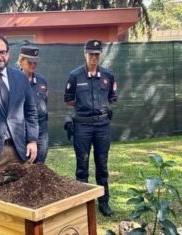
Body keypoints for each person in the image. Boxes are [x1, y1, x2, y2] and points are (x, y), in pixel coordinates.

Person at [63, 39, 117, 217]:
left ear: (100, 55)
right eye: (91, 54)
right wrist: (85, 109)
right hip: (83, 126)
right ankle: (83, 204)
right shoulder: (75, 75)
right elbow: (69, 99)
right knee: (82, 166)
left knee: (102, 165)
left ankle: (104, 202)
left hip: (102, 126)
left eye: (97, 54)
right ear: (85, 54)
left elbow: (111, 98)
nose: (94, 58)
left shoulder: (108, 75)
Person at [0, 36, 39, 187]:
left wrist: (32, 140)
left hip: (20, 149)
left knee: (22, 193)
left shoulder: (20, 77)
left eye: (2, 52)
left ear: (8, 54)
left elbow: (30, 110)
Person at [17, 45, 49, 163]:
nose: (33, 65)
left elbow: (45, 101)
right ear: (21, 61)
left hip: (41, 128)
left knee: (39, 165)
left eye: (35, 62)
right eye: (30, 61)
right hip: (22, 129)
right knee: (24, 166)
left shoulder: (41, 80)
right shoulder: (14, 81)